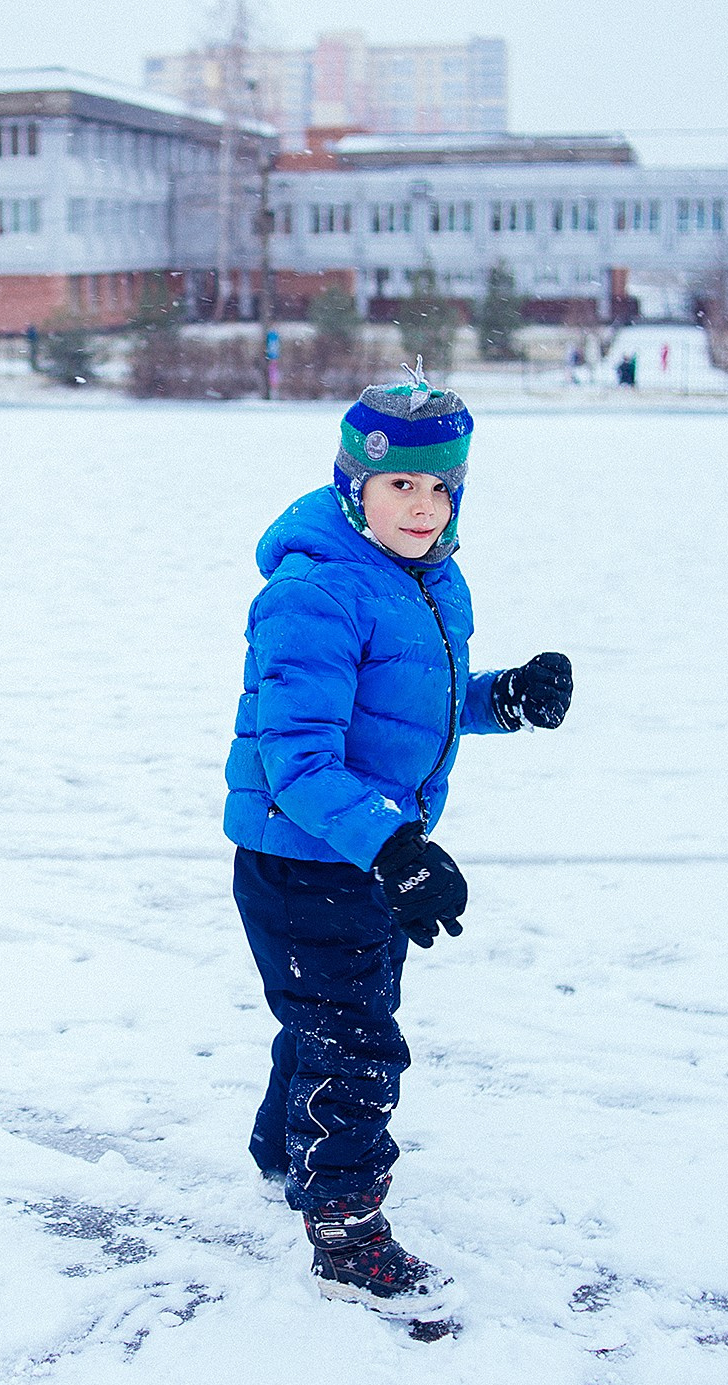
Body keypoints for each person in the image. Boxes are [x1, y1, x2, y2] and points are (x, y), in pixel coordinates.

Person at [223, 382, 573, 1324]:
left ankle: (280, 1151)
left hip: (366, 849)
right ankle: (343, 1229)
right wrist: (395, 848)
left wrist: (504, 700)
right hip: (307, 858)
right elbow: (295, 762)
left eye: (443, 489)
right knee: (355, 1040)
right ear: (354, 485)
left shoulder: (424, 576)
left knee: (330, 1015)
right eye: (402, 486)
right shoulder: (316, 593)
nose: (426, 508)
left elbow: (409, 705)